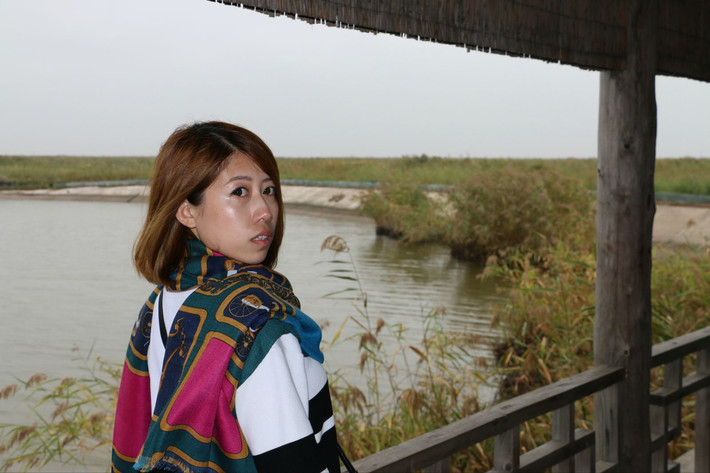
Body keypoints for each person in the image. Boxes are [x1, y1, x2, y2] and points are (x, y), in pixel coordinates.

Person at [111, 121, 341, 473]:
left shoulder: (160, 302)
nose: (265, 211)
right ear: (187, 210)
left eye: (269, 190)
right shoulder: (254, 327)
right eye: (240, 192)